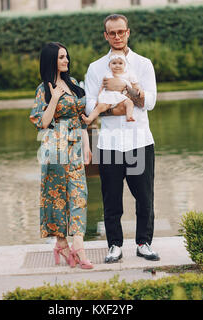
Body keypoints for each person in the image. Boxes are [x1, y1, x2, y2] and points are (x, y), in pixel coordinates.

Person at [85, 14, 159, 263]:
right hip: (109, 145)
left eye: (121, 32)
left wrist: (124, 89)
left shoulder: (143, 64)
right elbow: (89, 107)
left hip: (140, 141)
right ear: (105, 35)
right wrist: (118, 107)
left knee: (145, 197)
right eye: (112, 33)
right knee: (111, 199)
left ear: (128, 32)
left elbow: (148, 102)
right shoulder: (96, 68)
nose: (117, 37)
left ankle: (144, 243)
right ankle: (114, 245)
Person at [29, 42, 93, 269]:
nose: (66, 61)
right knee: (56, 198)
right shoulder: (42, 90)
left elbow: (80, 116)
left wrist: (86, 145)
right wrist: (54, 97)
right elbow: (43, 122)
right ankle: (61, 243)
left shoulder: (74, 84)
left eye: (66, 57)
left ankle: (79, 246)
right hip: (54, 149)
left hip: (75, 147)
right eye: (61, 58)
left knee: (78, 195)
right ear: (51, 61)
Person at [81, 50, 143, 124]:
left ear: (125, 65)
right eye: (114, 63)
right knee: (99, 107)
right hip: (108, 97)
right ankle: (90, 118)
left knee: (129, 103)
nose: (117, 65)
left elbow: (135, 84)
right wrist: (98, 98)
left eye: (120, 63)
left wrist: (140, 90)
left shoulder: (129, 75)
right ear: (109, 65)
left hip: (121, 98)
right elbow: (102, 87)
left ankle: (129, 116)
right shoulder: (108, 75)